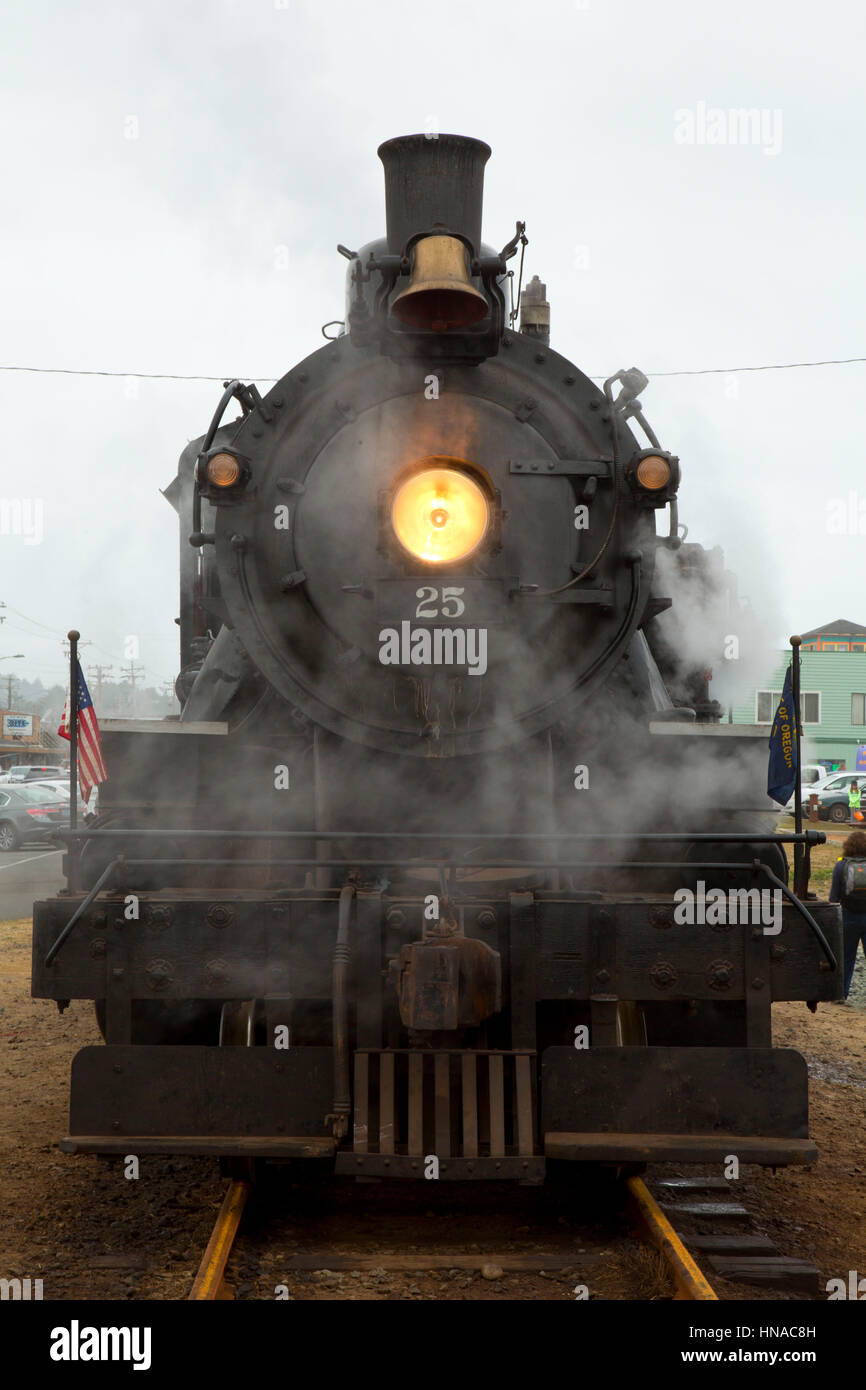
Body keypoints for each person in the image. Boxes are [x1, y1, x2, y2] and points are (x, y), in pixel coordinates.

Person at [828, 829, 866, 1000]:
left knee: (847, 958)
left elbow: (833, 898)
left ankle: (841, 994)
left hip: (848, 916)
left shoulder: (841, 865)